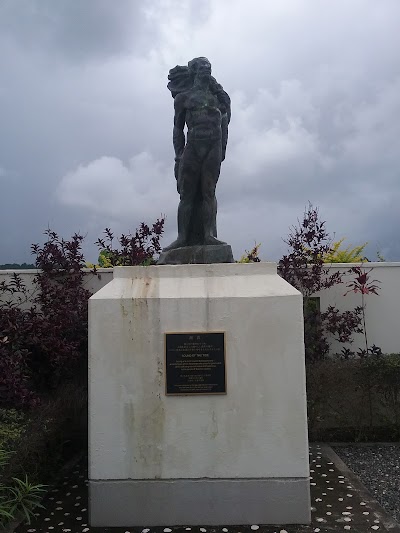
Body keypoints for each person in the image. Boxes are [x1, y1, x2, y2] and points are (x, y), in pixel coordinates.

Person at [163, 57, 231, 251]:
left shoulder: (219, 97)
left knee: (209, 191)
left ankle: (209, 235)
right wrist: (178, 155)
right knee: (188, 194)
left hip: (213, 146)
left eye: (208, 67)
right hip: (193, 146)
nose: (205, 70)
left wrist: (223, 148)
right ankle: (182, 238)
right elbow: (177, 128)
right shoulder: (183, 98)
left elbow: (224, 122)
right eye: (201, 67)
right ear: (193, 71)